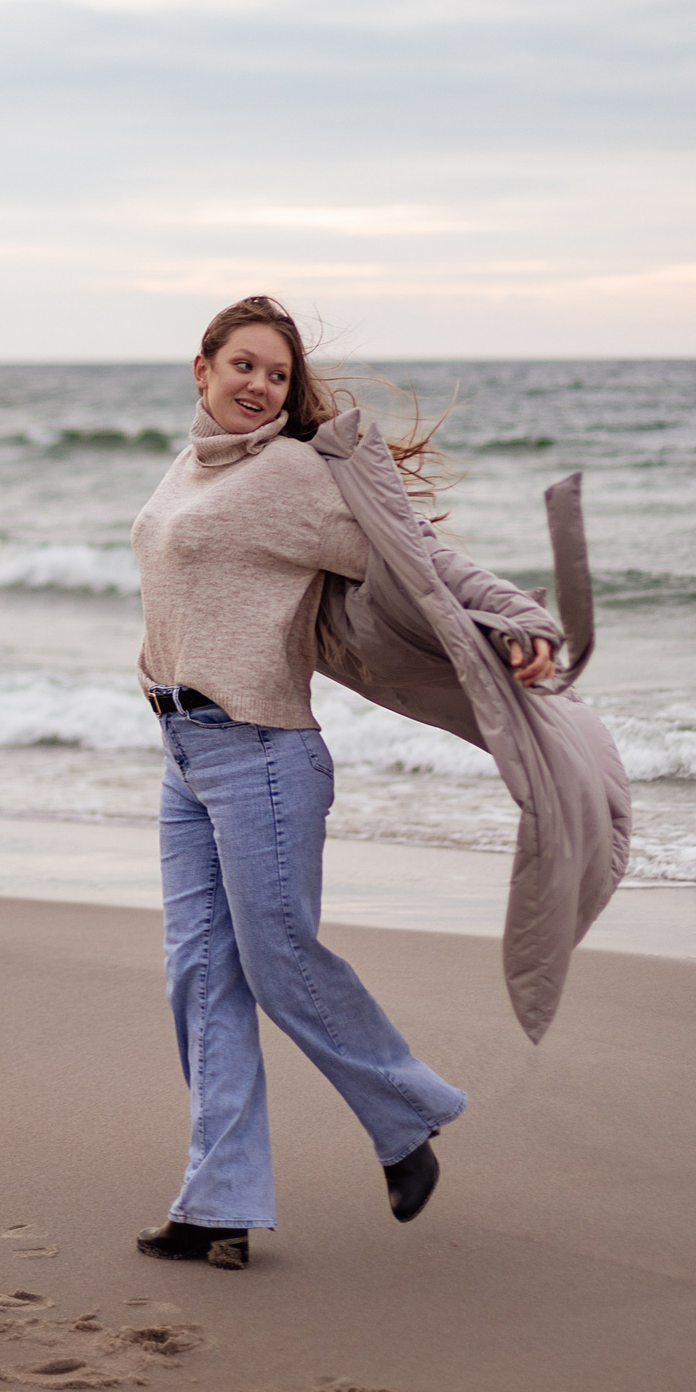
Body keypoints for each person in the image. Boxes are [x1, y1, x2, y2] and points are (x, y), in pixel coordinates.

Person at [128, 296, 560, 1270]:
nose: (259, 386)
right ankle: (218, 1203)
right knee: (198, 974)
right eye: (243, 365)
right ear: (199, 368)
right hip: (182, 752)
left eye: (276, 375)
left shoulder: (286, 475)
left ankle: (405, 1114)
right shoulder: (188, 466)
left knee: (276, 958)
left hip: (262, 756)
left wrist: (516, 617)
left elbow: (419, 560)